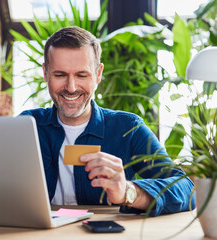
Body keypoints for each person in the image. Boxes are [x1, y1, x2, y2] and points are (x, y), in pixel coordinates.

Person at [20, 26, 195, 216]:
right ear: (45, 73)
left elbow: (186, 190)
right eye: (60, 75)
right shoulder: (26, 126)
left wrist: (129, 192)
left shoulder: (128, 128)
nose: (71, 88)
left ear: (98, 74)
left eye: (82, 75)